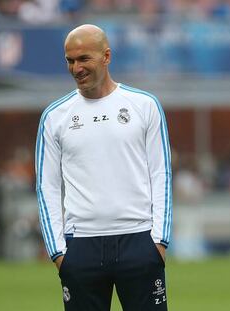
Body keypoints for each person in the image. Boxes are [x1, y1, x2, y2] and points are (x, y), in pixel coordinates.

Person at [35, 24, 172, 311]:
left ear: (106, 56)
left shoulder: (144, 105)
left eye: (84, 58)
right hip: (81, 246)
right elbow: (47, 186)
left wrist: (158, 241)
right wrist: (58, 252)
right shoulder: (54, 116)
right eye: (70, 61)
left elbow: (161, 175)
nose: (76, 68)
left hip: (139, 241)